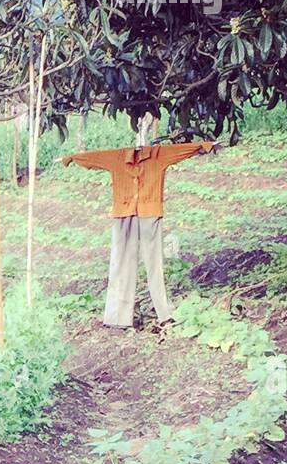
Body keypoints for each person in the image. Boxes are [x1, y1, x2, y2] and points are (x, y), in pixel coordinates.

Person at [63, 139, 221, 329]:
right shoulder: (117, 157)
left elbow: (180, 151)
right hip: (123, 212)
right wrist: (72, 158)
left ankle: (164, 313)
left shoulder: (158, 155)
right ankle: (117, 317)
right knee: (121, 262)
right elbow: (94, 158)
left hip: (150, 212)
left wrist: (202, 146)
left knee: (155, 264)